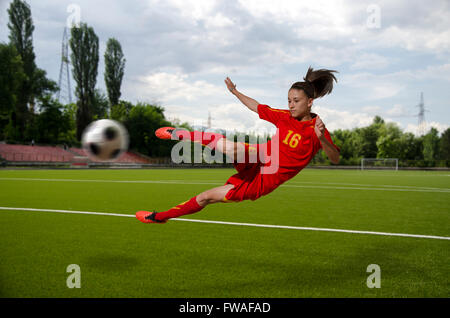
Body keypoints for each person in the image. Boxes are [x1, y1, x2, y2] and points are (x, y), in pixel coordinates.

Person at [136, 67, 340, 224]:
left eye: (296, 101)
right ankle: (178, 133)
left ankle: (159, 217)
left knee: (206, 197)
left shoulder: (318, 130)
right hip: (260, 155)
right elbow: (257, 107)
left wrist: (321, 138)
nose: (291, 105)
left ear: (310, 102)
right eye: (288, 100)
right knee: (231, 147)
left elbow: (335, 158)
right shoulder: (285, 116)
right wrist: (235, 92)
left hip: (263, 180)